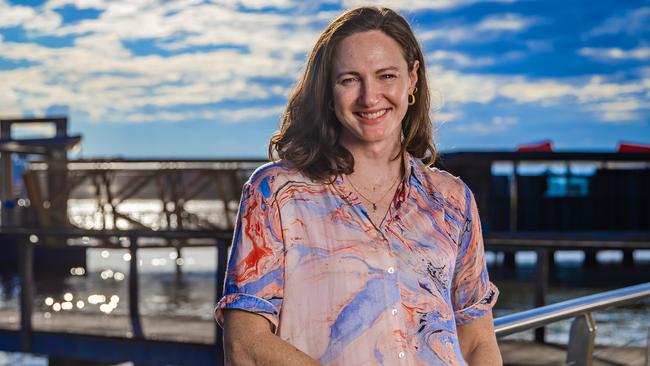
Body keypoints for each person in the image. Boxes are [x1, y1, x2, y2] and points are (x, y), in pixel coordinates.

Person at [215, 6, 502, 366]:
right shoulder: (275, 194)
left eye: (386, 76)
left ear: (412, 79)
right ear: (328, 90)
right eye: (349, 79)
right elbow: (245, 345)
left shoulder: (452, 200)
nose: (369, 97)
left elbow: (477, 341)